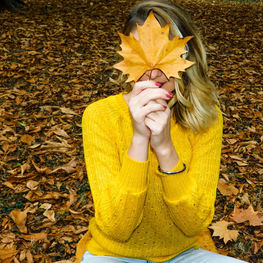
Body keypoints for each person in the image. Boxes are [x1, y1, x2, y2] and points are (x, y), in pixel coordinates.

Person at [80, 0, 247, 262]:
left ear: (186, 57)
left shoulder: (205, 118)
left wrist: (165, 147)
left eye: (164, 53)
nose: (152, 70)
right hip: (114, 253)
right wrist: (139, 139)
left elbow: (194, 223)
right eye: (140, 55)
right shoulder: (100, 116)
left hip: (183, 253)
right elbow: (117, 227)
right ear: (125, 57)